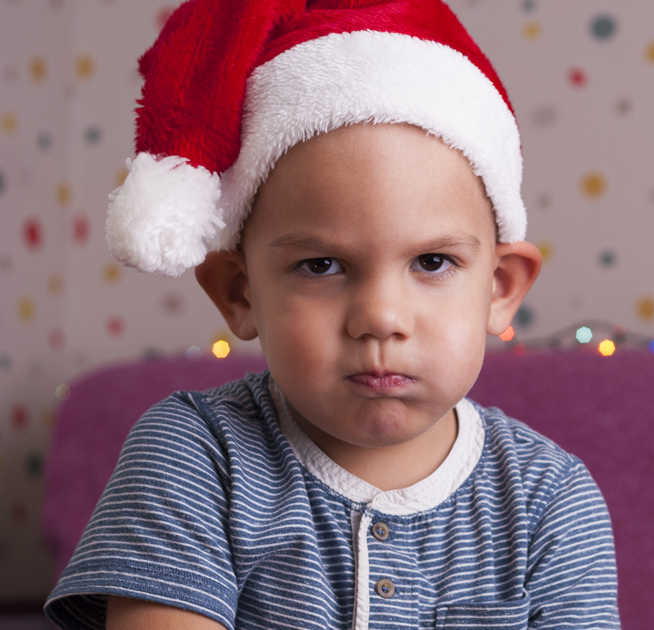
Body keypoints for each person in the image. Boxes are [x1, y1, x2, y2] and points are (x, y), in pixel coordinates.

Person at [43, 1, 620, 628]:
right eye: (321, 266)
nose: (380, 317)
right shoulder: (196, 457)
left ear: (499, 288)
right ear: (240, 293)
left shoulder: (549, 500)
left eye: (431, 262)